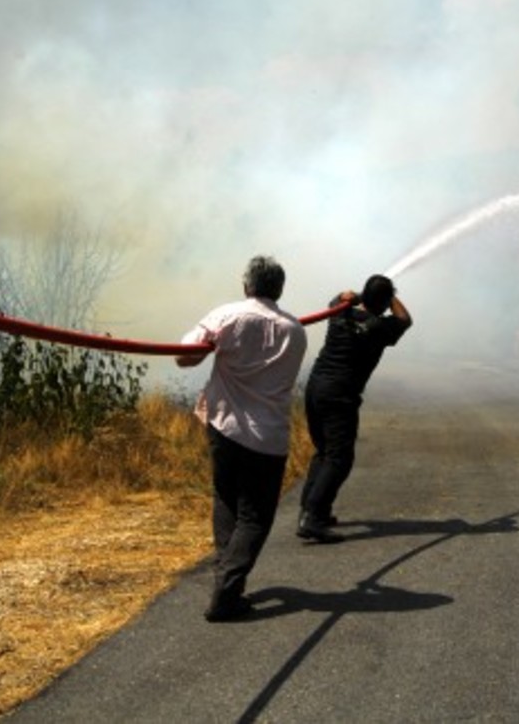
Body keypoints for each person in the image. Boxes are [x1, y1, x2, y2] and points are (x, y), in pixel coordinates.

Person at [176, 255, 308, 622]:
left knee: (227, 503)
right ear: (280, 289)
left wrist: (212, 343)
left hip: (224, 429)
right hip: (268, 438)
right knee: (254, 517)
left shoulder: (226, 316)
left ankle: (227, 586)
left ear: (246, 285)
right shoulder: (296, 331)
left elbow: (183, 358)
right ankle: (226, 593)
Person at [297, 274, 412, 543]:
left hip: (316, 388)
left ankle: (314, 509)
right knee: (339, 458)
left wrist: (358, 295)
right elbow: (406, 319)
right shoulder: (380, 327)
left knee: (325, 452)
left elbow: (339, 297)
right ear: (383, 303)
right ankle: (312, 518)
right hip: (340, 396)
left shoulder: (340, 312)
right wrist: (388, 295)